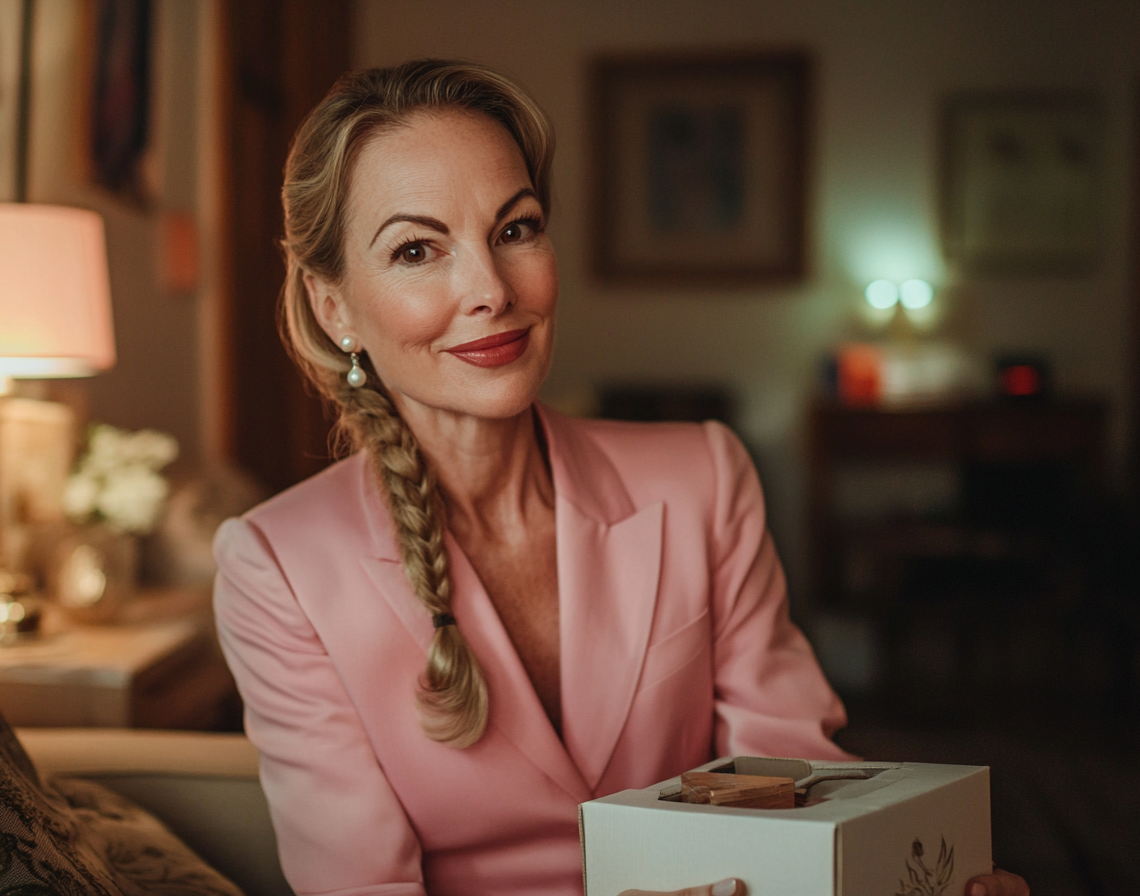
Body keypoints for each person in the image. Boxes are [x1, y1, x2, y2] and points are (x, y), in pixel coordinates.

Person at [213, 58, 1028, 896]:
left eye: (516, 228)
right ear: (334, 307)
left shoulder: (705, 475)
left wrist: (903, 872)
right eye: (418, 249)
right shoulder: (276, 567)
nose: (490, 289)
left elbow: (803, 784)